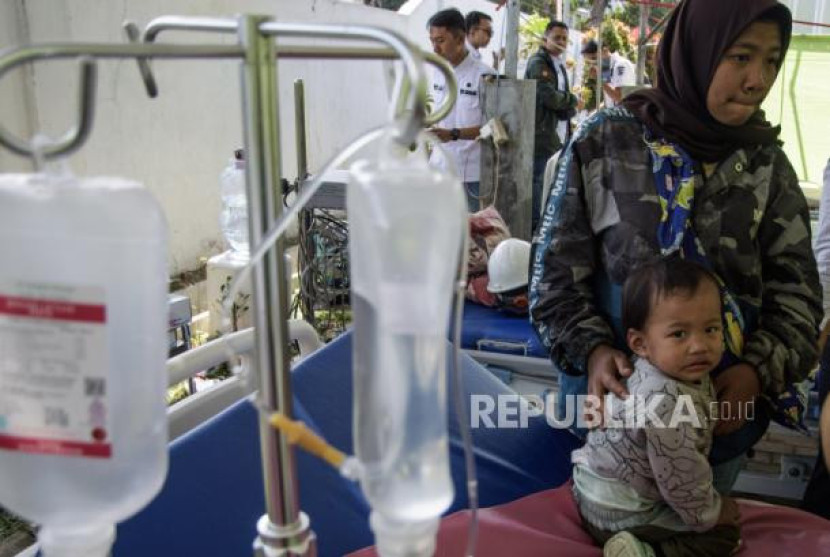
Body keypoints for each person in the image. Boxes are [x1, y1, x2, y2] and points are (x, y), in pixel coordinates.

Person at [530, 0, 821, 497]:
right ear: (698, 51)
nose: (759, 78)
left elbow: (798, 295)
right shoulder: (605, 142)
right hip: (613, 427)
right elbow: (553, 278)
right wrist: (594, 351)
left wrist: (755, 371)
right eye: (740, 57)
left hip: (717, 428)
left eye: (772, 60)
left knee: (697, 534)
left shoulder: (765, 164)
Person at [573, 257, 741, 557]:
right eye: (679, 334)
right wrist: (716, 512)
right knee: (723, 537)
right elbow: (682, 480)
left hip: (596, 490)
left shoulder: (658, 364)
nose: (699, 345)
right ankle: (641, 552)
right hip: (620, 512)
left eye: (712, 329)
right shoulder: (666, 403)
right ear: (639, 344)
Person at [427, 8, 496, 212]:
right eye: (432, 41)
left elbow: (493, 128)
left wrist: (454, 134)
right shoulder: (438, 72)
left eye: (440, 41)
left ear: (459, 39)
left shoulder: (485, 76)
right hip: (438, 168)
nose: (435, 48)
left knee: (470, 236)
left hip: (470, 175)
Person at [524, 21, 579, 232]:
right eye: (557, 38)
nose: (561, 43)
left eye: (565, 38)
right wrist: (572, 100)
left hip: (557, 135)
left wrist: (570, 105)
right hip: (542, 136)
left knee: (552, 182)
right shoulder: (539, 63)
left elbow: (561, 103)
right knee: (539, 183)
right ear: (545, 38)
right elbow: (550, 98)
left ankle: (546, 229)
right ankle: (536, 230)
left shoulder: (558, 64)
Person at [581, 39, 636, 108]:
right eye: (590, 61)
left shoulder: (621, 65)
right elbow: (610, 98)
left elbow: (619, 97)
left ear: (605, 50)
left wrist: (599, 78)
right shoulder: (605, 68)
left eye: (594, 58)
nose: (593, 63)